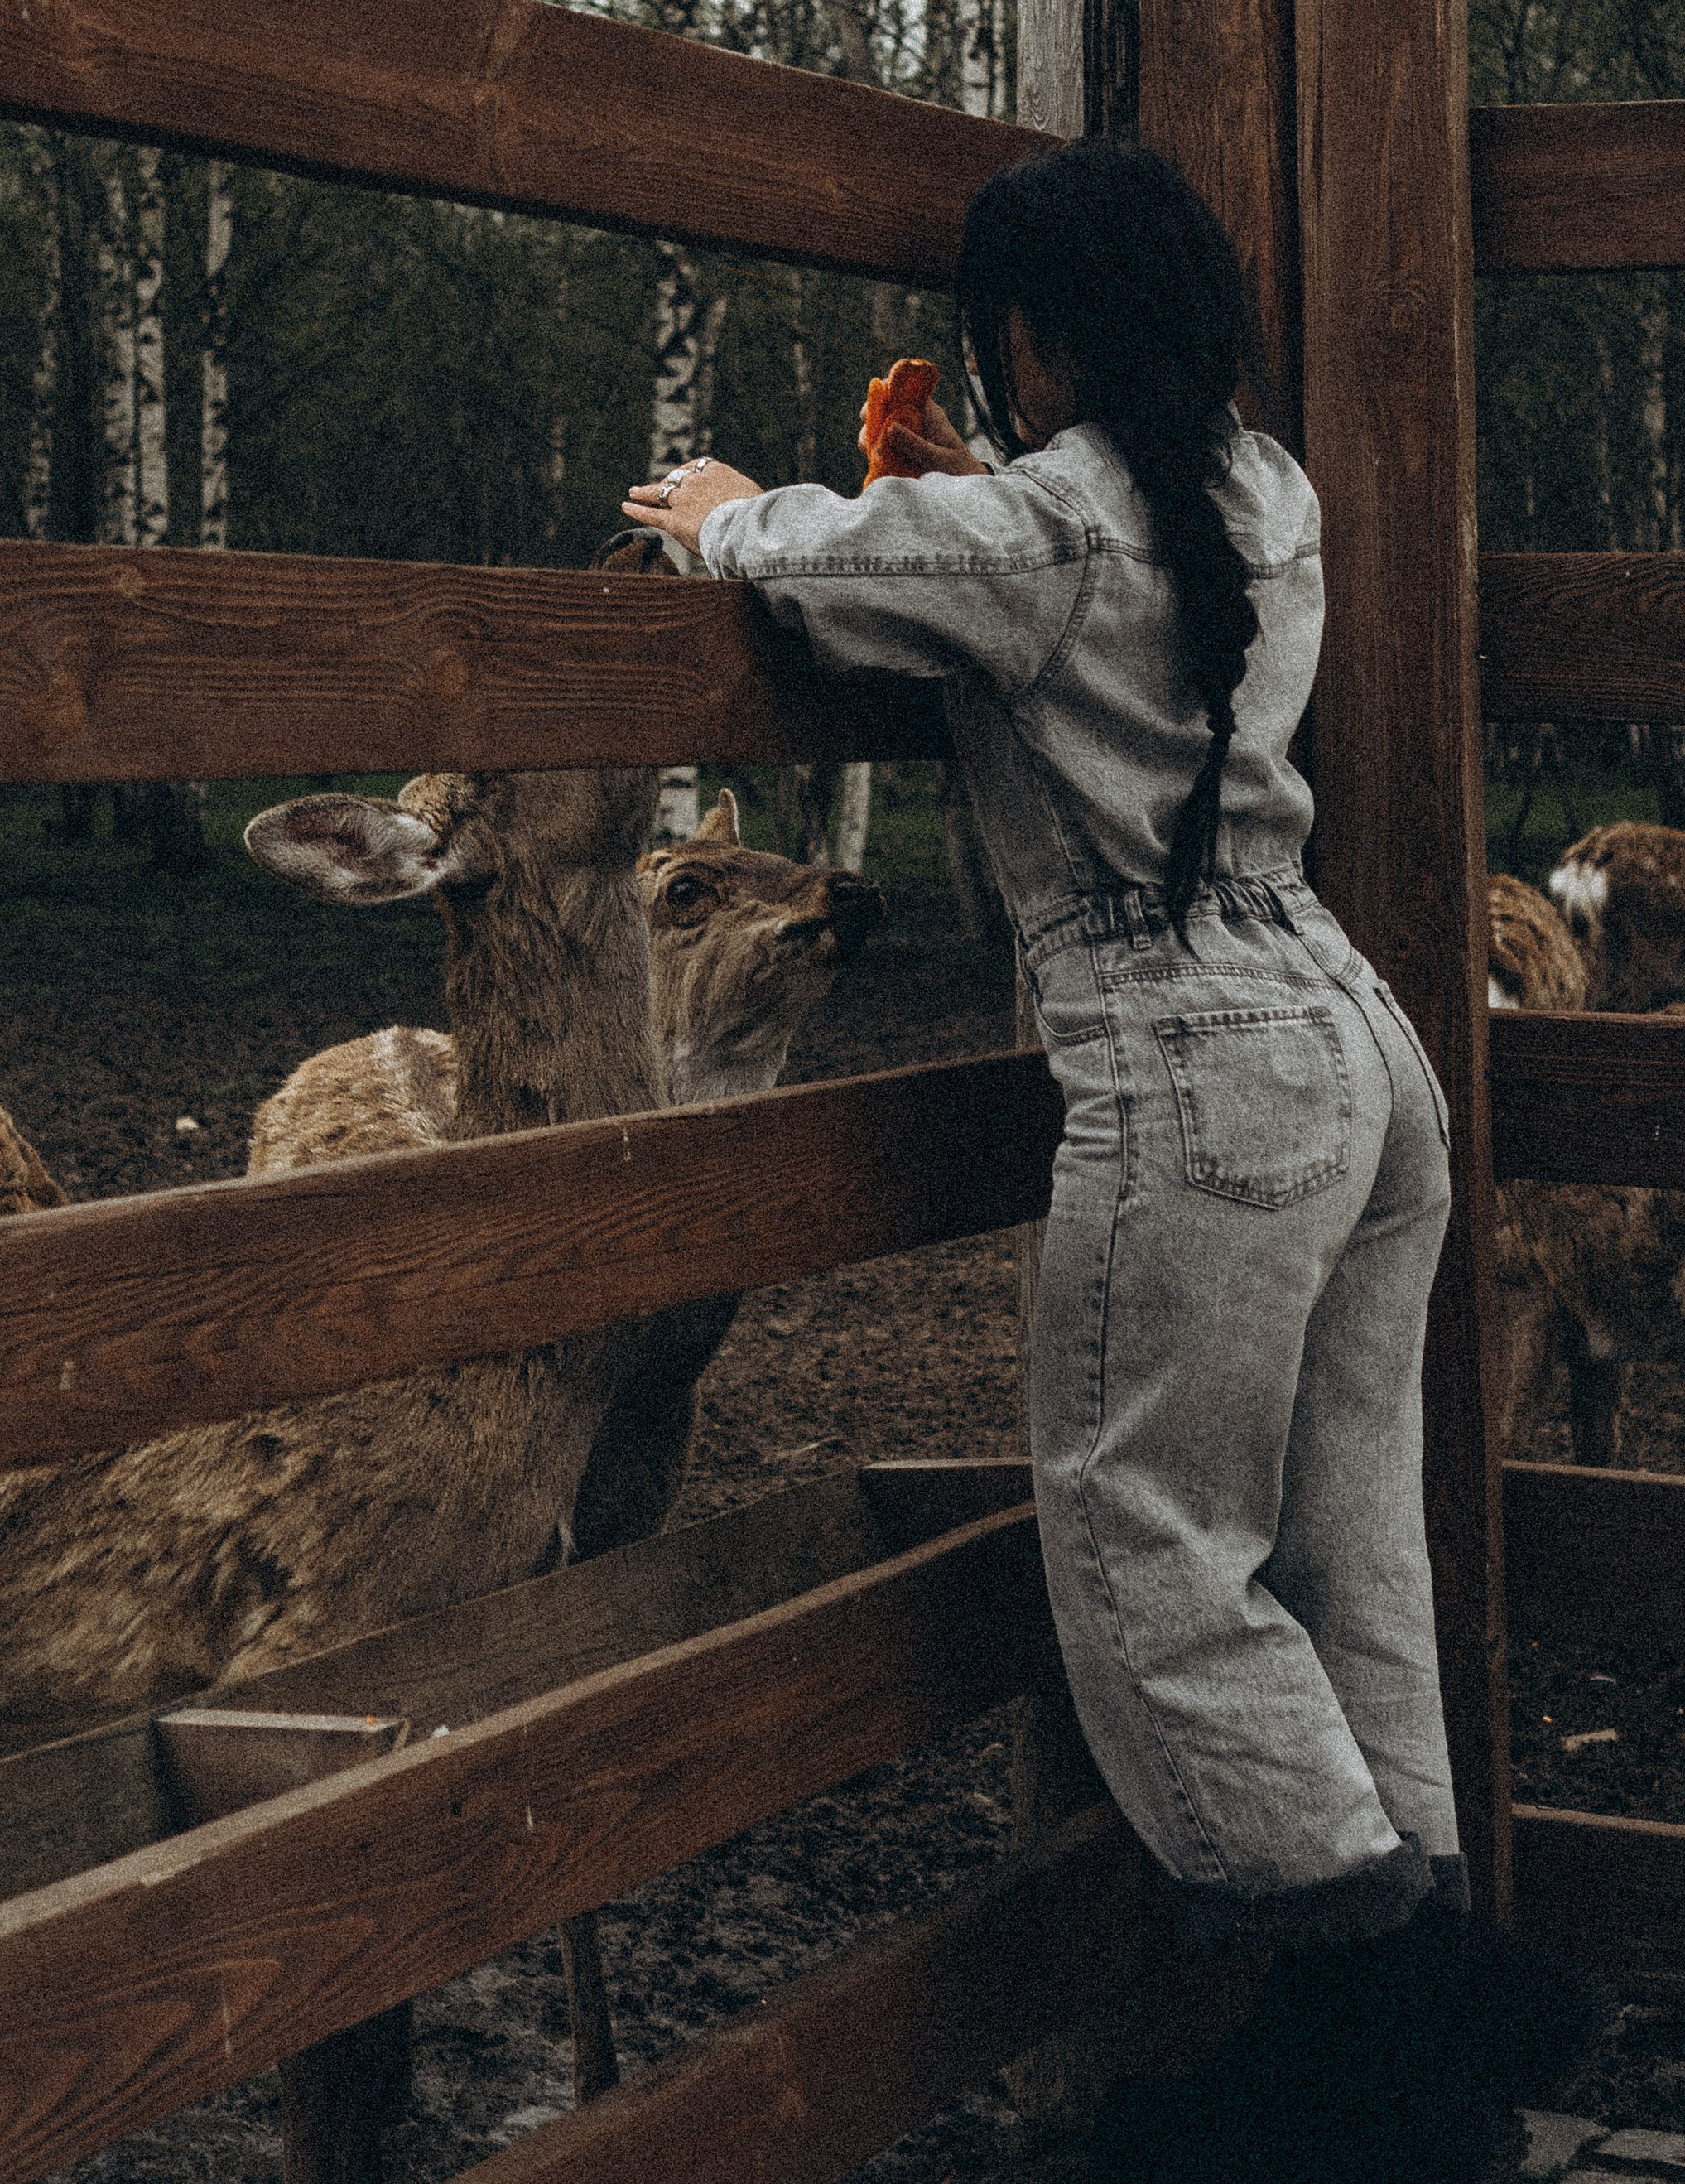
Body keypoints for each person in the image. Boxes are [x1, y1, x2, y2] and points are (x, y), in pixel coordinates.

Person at [623, 138, 1594, 2183]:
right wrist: (927, 481)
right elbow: (993, 547)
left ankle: (1387, 1967)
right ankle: (1388, 2079)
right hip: (1353, 1046)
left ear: (1031, 337)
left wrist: (732, 513)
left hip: (1195, 1060)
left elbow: (829, 572)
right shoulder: (1263, 488)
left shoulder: (1037, 525)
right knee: (1351, 1547)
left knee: (1140, 1536)